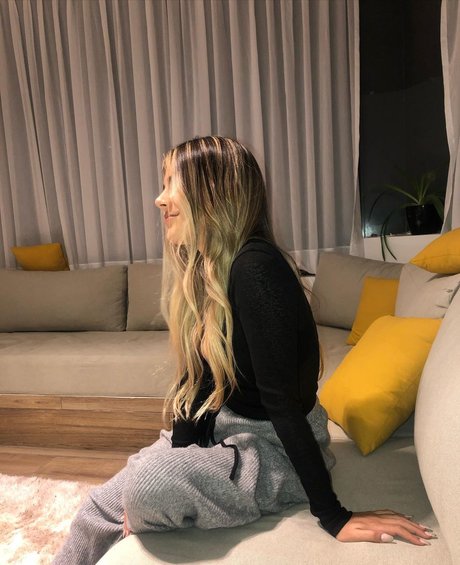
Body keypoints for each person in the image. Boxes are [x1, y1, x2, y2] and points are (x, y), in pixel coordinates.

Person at [53, 136, 433, 564]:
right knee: (94, 509)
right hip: (223, 430)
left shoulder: (256, 269)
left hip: (273, 450)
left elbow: (283, 404)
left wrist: (334, 516)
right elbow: (198, 382)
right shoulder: (208, 268)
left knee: (146, 485)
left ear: (213, 191)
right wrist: (183, 459)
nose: (160, 199)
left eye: (172, 183)